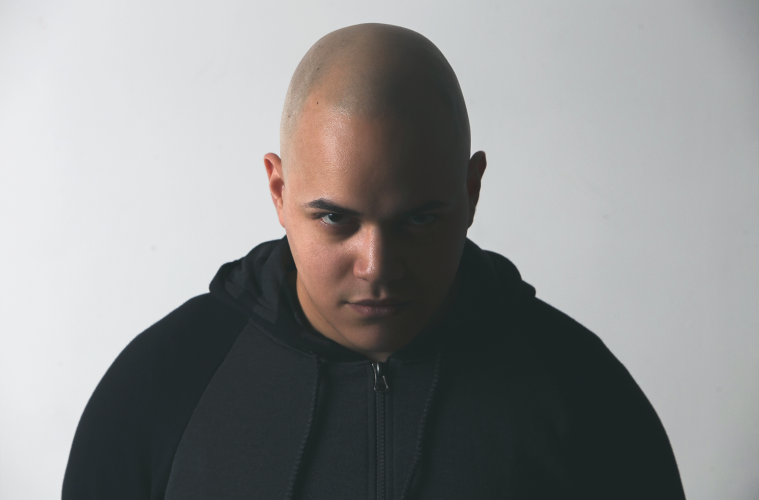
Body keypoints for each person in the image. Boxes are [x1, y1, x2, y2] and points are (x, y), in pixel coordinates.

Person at [63, 23, 686, 500]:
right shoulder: (161, 390)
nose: (377, 267)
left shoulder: (583, 393)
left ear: (472, 191)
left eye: (420, 220)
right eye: (336, 219)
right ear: (279, 192)